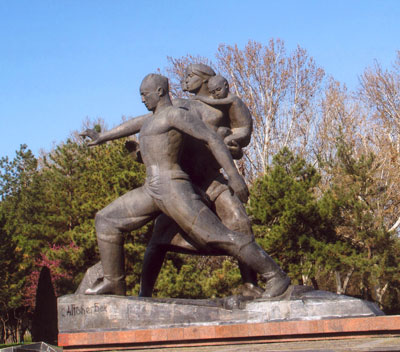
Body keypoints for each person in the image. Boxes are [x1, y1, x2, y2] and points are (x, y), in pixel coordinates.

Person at [82, 73, 290, 297]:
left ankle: (275, 276)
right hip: (150, 188)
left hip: (173, 187)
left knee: (217, 236)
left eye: (145, 94)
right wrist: (102, 137)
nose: (142, 99)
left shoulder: (175, 115)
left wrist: (234, 176)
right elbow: (132, 124)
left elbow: (211, 139)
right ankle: (114, 282)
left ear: (160, 91)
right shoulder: (152, 119)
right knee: (106, 220)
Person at [191, 75, 252, 160]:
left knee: (227, 141)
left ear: (226, 85)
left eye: (218, 89)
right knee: (220, 132)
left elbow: (215, 102)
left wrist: (199, 98)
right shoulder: (223, 99)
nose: (216, 94)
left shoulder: (233, 98)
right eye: (213, 92)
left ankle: (231, 155)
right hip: (233, 130)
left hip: (242, 131)